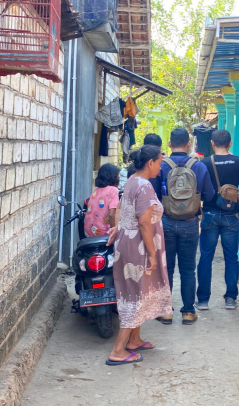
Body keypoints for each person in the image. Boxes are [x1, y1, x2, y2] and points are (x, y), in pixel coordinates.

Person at [106, 145, 172, 365]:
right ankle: (118, 350)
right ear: (151, 163)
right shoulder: (144, 186)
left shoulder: (132, 180)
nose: (160, 168)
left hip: (128, 242)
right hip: (138, 247)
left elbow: (126, 214)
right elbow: (144, 222)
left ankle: (134, 340)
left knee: (137, 291)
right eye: (160, 163)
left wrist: (119, 228)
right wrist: (152, 255)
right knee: (134, 296)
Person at [154, 128, 215, 325]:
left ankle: (166, 311)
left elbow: (153, 196)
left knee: (167, 268)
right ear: (188, 144)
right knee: (188, 269)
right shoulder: (199, 167)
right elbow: (209, 195)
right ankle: (188, 312)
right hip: (190, 223)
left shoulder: (161, 166)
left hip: (167, 222)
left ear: (169, 144)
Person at [197, 130, 239, 311]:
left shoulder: (204, 163)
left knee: (205, 257)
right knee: (231, 257)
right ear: (230, 143)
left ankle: (203, 300)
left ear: (212, 143)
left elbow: (200, 188)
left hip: (210, 213)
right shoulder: (238, 161)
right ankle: (230, 299)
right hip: (231, 215)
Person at [84, 164, 121, 237]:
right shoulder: (113, 190)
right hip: (103, 232)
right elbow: (111, 214)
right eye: (118, 177)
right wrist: (114, 231)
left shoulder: (95, 191)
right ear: (114, 178)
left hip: (88, 232)